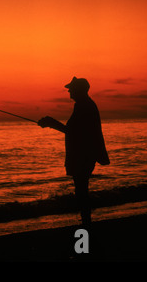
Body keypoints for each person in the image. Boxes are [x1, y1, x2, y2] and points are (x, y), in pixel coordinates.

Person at [38, 77, 110, 227]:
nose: (69, 91)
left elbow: (73, 132)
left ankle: (86, 223)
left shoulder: (84, 106)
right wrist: (51, 123)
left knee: (81, 190)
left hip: (83, 155)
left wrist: (51, 123)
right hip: (84, 154)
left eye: (71, 88)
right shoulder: (85, 105)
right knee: (81, 188)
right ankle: (86, 221)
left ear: (79, 90)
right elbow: (74, 131)